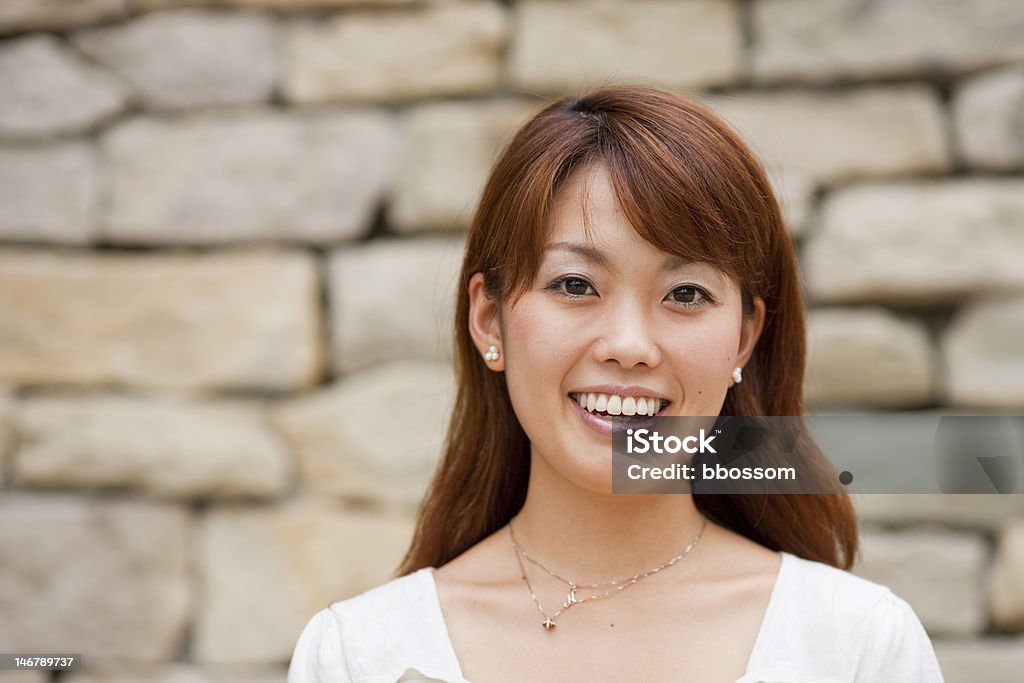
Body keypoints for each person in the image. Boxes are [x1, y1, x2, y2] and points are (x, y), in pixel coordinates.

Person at [287, 84, 944, 682]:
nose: (629, 345)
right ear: (489, 318)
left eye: (686, 293)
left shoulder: (857, 647)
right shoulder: (358, 655)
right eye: (575, 285)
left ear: (745, 336)